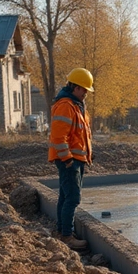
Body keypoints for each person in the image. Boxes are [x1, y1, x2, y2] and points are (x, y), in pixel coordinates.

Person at [48, 68, 94, 250]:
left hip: (75, 158)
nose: (85, 94)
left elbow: (80, 135)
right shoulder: (67, 106)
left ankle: (62, 232)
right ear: (75, 87)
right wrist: (67, 159)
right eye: (84, 90)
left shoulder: (76, 106)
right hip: (69, 160)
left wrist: (87, 153)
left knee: (65, 196)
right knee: (73, 198)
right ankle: (67, 236)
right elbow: (59, 137)